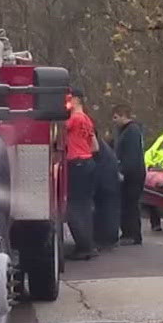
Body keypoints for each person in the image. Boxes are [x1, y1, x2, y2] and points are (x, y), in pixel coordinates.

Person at [64, 90, 98, 261]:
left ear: (75, 100)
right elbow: (94, 146)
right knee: (84, 206)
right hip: (87, 162)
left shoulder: (74, 119)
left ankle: (83, 246)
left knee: (74, 207)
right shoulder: (86, 119)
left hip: (76, 162)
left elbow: (58, 132)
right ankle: (88, 244)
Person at [112, 105, 146, 245]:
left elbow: (131, 156)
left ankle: (132, 234)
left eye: (115, 117)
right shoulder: (127, 131)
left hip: (132, 174)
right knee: (128, 204)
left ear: (123, 115)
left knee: (130, 204)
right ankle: (129, 233)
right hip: (132, 172)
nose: (113, 121)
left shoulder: (131, 132)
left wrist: (123, 172)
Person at [93, 132, 122, 250]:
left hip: (106, 176)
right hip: (109, 174)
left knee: (105, 208)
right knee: (108, 207)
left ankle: (106, 240)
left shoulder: (96, 143)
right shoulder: (105, 147)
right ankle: (109, 238)